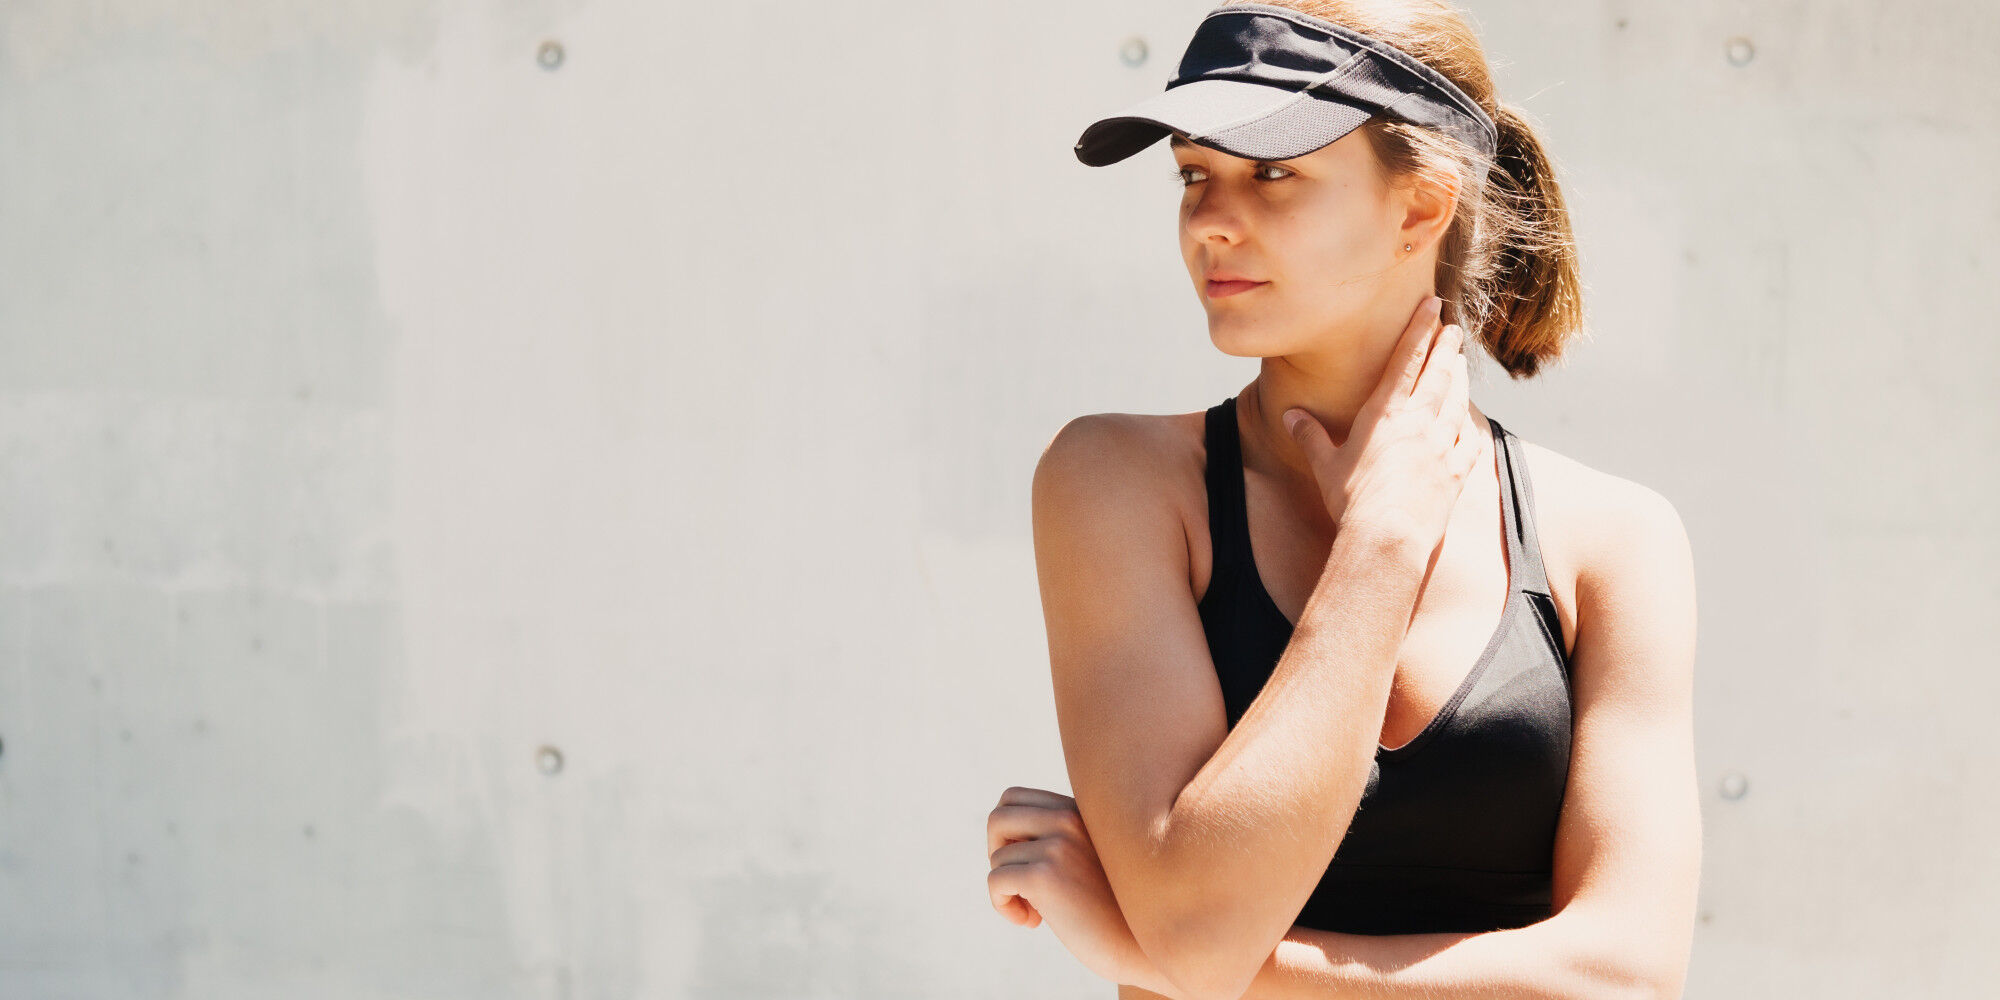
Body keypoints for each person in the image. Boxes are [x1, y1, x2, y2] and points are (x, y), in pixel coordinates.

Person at [983, 3, 1701, 999]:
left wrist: (1162, 952)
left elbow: (1626, 975)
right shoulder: (1115, 483)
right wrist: (1381, 543)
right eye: (1193, 173)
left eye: (1271, 172)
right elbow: (1196, 928)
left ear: (1417, 206)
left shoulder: (1609, 539)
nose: (1208, 219)